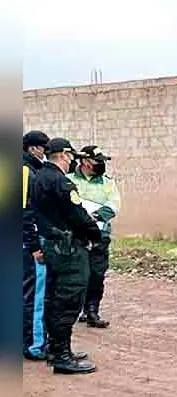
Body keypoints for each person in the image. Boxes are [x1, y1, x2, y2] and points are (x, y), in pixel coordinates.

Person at [29, 138, 102, 374]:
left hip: (52, 244)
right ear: (63, 155)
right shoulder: (61, 182)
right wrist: (94, 233)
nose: (72, 160)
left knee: (53, 299)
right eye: (70, 156)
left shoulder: (39, 177)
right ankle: (62, 356)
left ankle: (56, 348)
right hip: (68, 248)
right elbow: (78, 215)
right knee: (69, 300)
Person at [70, 145, 121, 328]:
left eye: (102, 161)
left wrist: (92, 217)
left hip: (100, 234)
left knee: (97, 274)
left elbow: (114, 205)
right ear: (84, 161)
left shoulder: (107, 182)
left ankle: (92, 310)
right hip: (76, 237)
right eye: (97, 161)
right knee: (76, 275)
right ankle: (75, 310)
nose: (101, 164)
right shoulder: (69, 179)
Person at [22, 130, 50, 360]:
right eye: (44, 147)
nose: (46, 151)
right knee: (33, 294)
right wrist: (33, 246)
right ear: (33, 148)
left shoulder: (31, 169)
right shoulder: (24, 171)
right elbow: (24, 212)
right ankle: (33, 345)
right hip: (25, 243)